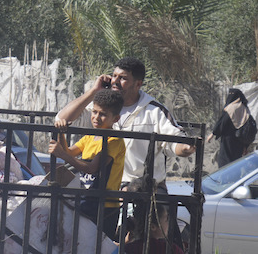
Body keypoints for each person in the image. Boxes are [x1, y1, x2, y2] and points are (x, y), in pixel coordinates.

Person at [55, 57, 194, 191]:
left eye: (123, 78)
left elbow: (175, 140)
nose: (115, 81)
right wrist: (93, 92)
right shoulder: (103, 106)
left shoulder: (154, 111)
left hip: (142, 187)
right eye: (114, 76)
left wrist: (186, 147)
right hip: (102, 186)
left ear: (138, 84)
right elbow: (61, 119)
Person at [49, 88, 125, 235]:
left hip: (105, 206)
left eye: (103, 114)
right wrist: (61, 133)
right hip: (87, 201)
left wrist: (63, 156)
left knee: (98, 250)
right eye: (94, 112)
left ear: (115, 119)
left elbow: (92, 168)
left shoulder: (114, 141)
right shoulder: (90, 137)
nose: (96, 117)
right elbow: (69, 152)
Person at [208, 88, 256, 169]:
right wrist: (245, 146)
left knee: (225, 162)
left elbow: (222, 123)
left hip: (228, 141)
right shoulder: (245, 109)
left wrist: (213, 133)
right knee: (236, 163)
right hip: (239, 142)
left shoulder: (231, 108)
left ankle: (225, 180)